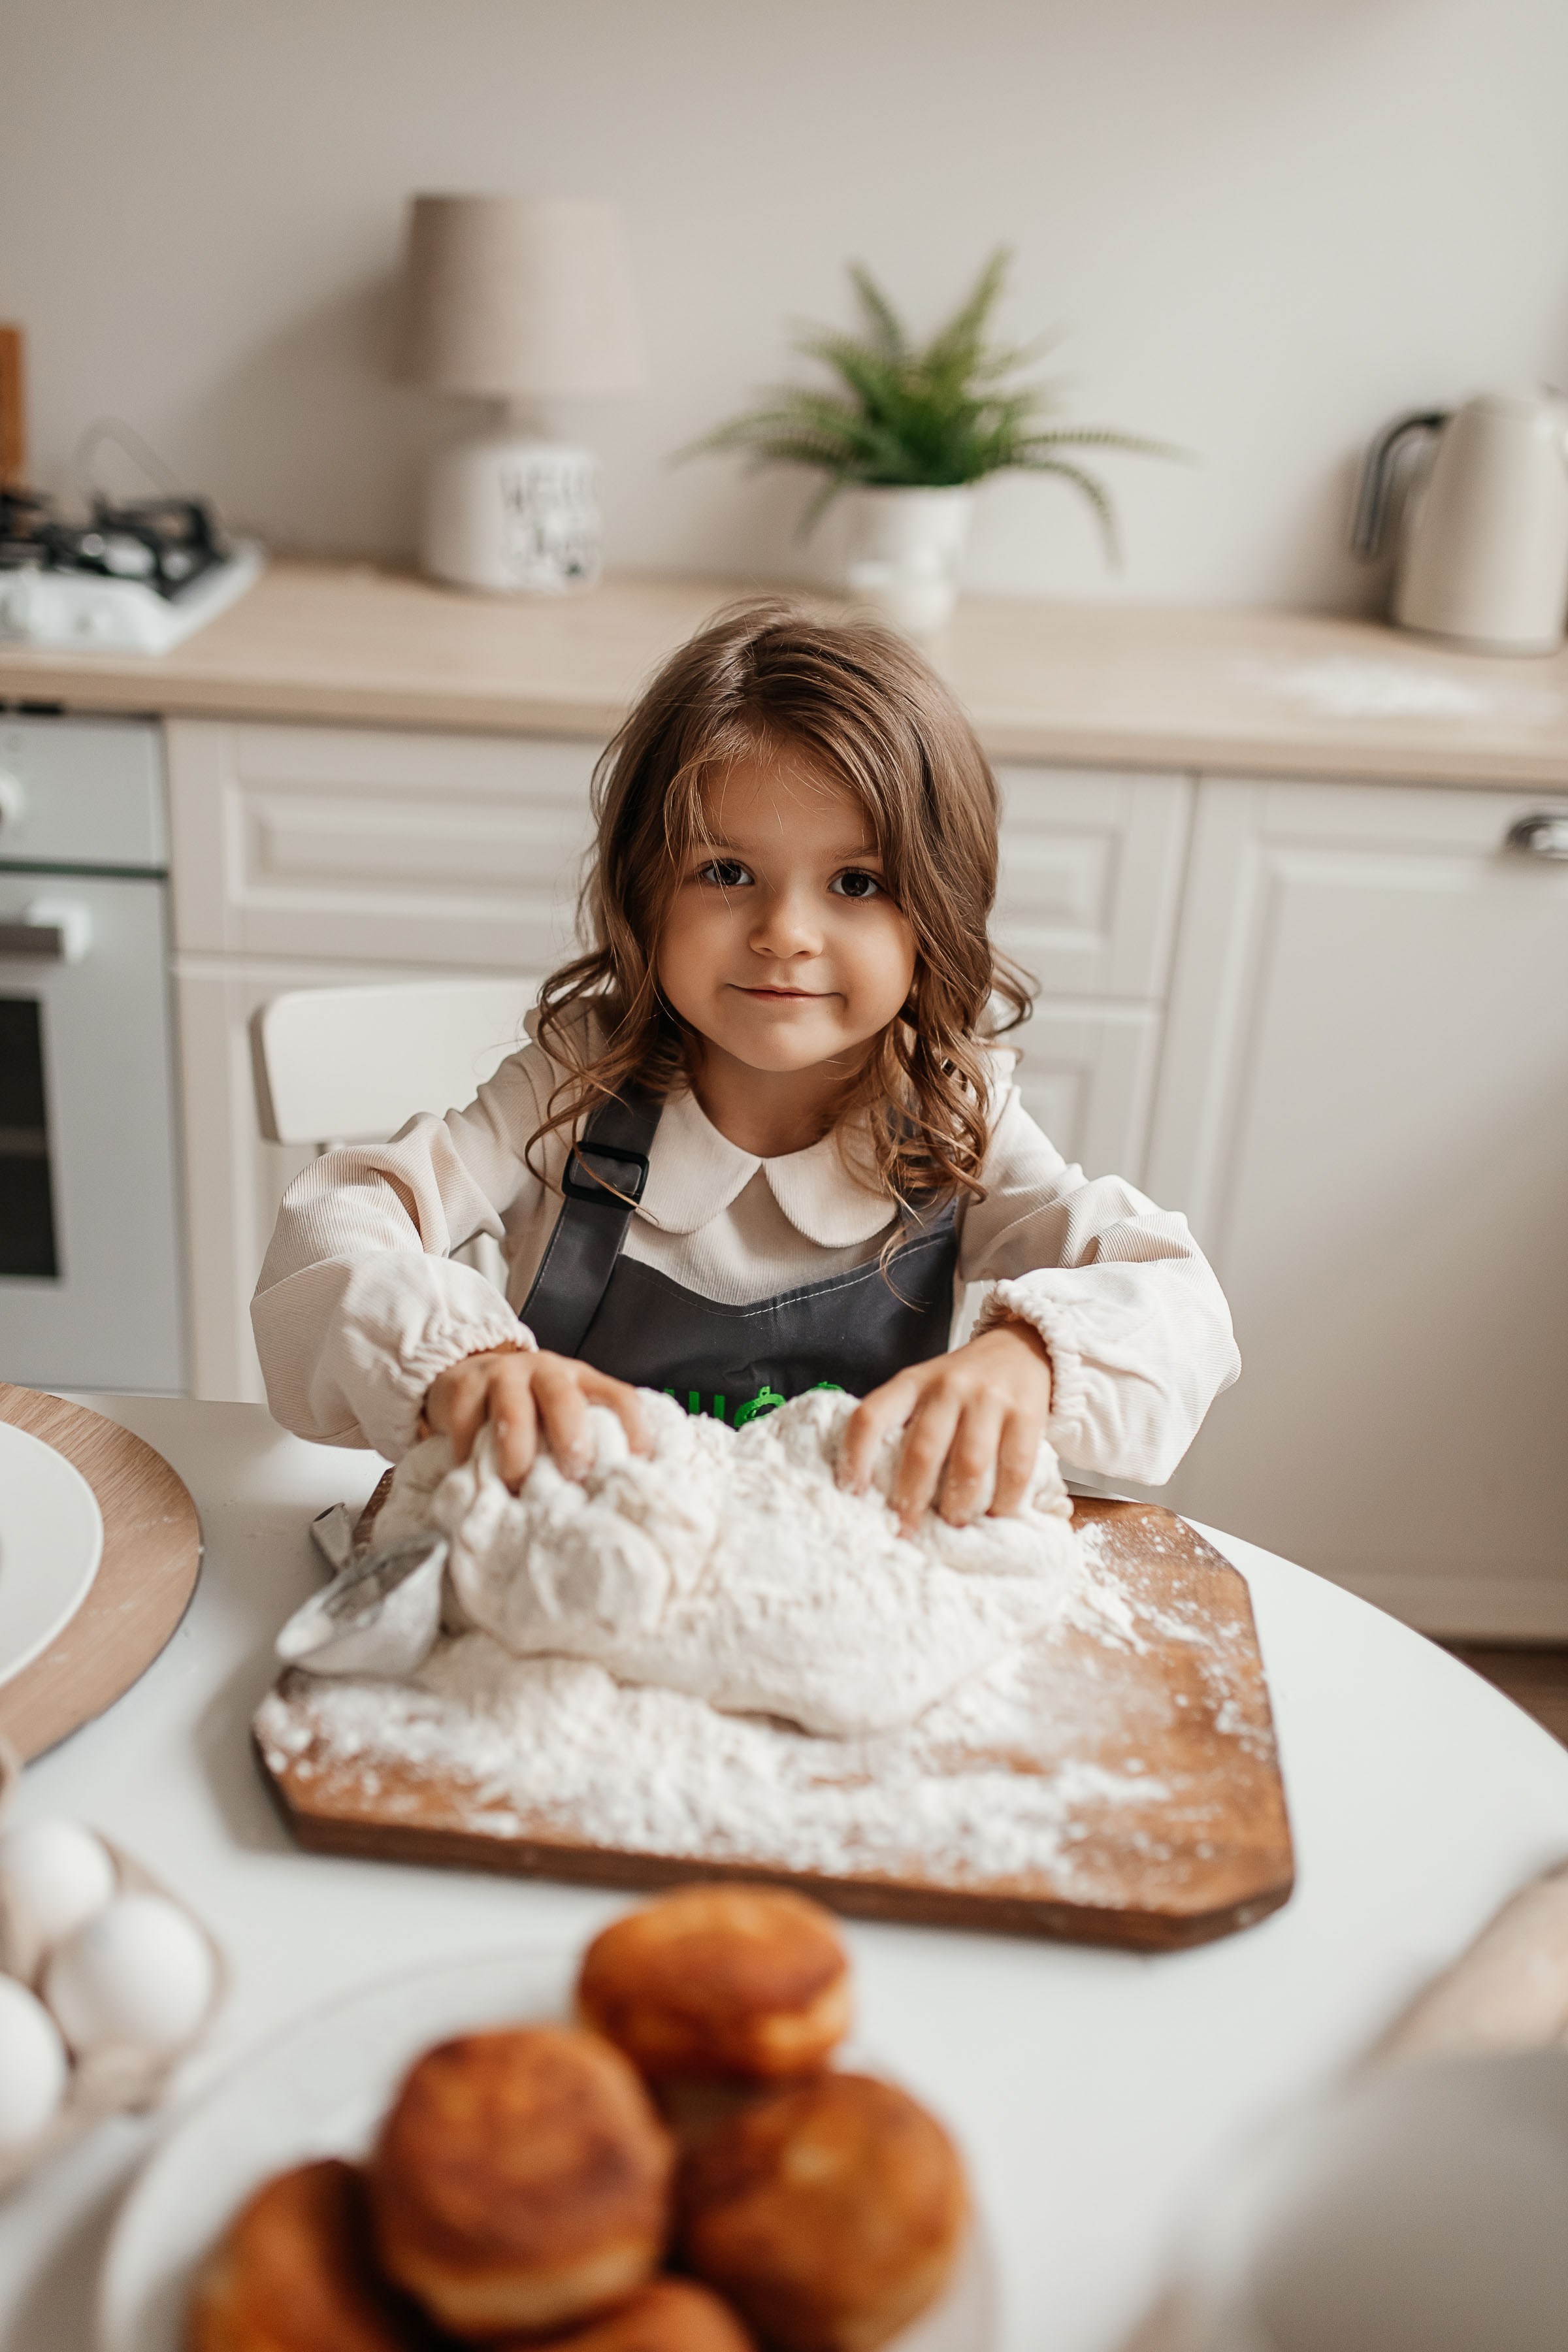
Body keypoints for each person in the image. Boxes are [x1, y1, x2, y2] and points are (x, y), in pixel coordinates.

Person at [253, 602, 1237, 1532]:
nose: (785, 935)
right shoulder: (574, 1088)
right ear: (644, 895)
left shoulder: (950, 1118)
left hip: (837, 1601)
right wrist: (456, 1363)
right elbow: (333, 1231)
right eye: (728, 874)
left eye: (857, 883)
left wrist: (1033, 1359)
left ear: (935, 913)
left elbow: (1178, 1300)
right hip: (572, 1567)